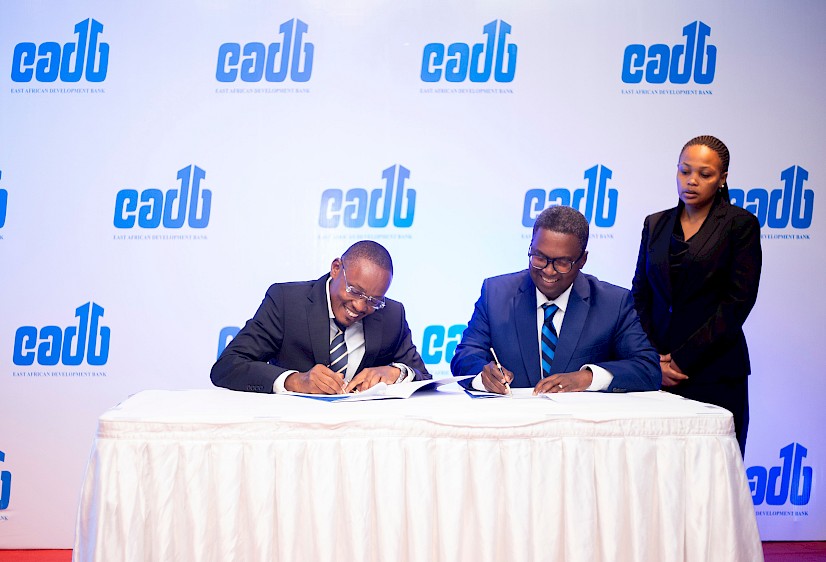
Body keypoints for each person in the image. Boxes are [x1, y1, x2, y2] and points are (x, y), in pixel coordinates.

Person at [631, 135, 761, 455]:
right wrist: (654, 357)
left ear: (722, 180)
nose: (691, 181)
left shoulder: (740, 224)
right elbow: (640, 294)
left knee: (715, 475)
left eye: (704, 174)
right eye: (684, 171)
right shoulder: (655, 223)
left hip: (715, 371)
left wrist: (681, 359)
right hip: (658, 373)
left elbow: (737, 303)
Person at [451, 205, 660, 394]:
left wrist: (588, 377)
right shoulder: (495, 293)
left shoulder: (612, 303)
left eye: (562, 262)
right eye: (539, 258)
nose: (548, 271)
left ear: (583, 260)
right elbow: (465, 356)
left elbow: (647, 368)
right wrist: (484, 375)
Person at [211, 240, 430, 394]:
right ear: (336, 268)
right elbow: (228, 366)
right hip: (293, 433)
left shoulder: (392, 314)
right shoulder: (286, 302)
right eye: (355, 291)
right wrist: (295, 381)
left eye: (374, 300)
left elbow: (424, 376)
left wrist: (397, 373)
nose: (361, 306)